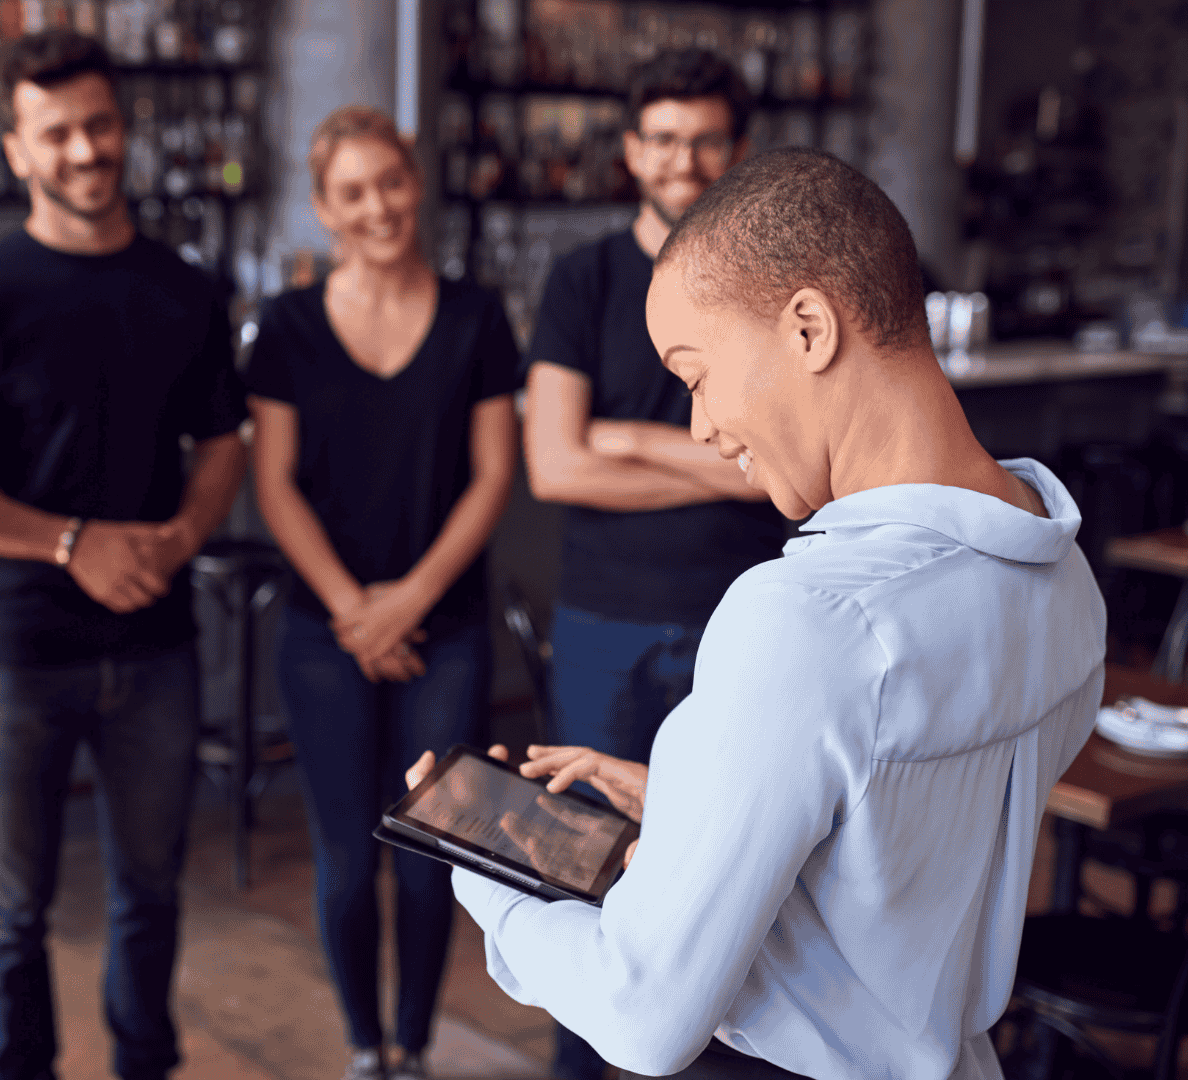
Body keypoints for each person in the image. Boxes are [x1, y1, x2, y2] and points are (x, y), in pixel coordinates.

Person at [409, 147, 1105, 1079]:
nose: (700, 427)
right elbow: (910, 851)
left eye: (695, 375)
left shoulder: (808, 619)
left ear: (809, 328)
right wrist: (709, 807)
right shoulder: (1061, 569)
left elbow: (643, 1013)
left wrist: (484, 875)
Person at [0, 29, 247, 1080]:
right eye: (56, 133)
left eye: (99, 124)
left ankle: (144, 1064)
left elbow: (222, 445)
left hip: (155, 639)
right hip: (19, 646)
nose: (86, 149)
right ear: (16, 151)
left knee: (150, 892)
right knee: (11, 910)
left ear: (124, 128)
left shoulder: (184, 288)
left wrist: (181, 537)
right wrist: (71, 544)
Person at [518, 49, 784, 1080]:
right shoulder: (582, 279)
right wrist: (721, 465)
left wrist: (623, 439)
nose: (684, 160)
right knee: (582, 863)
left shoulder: (768, 287)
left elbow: (778, 474)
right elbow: (554, 464)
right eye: (664, 139)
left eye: (707, 140)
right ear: (631, 150)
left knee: (732, 869)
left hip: (745, 622)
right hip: (605, 622)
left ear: (739, 151)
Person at [245, 106, 520, 1080]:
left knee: (431, 853)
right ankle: (367, 1050)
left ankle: (416, 1048)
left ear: (418, 182)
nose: (378, 207)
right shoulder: (287, 325)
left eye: (391, 182)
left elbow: (494, 474)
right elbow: (273, 482)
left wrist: (407, 602)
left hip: (445, 628)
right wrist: (355, 612)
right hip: (324, 632)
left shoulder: (477, 315)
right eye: (353, 192)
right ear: (324, 208)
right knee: (346, 859)